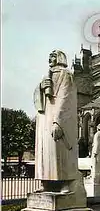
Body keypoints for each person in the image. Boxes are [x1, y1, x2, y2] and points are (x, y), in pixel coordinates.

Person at [34, 50, 78, 193]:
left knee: (60, 151)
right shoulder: (46, 75)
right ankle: (45, 183)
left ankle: (65, 183)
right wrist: (41, 87)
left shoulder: (66, 74)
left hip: (57, 118)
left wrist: (58, 121)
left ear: (59, 58)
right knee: (45, 152)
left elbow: (65, 98)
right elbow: (38, 99)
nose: (50, 59)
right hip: (45, 118)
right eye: (49, 57)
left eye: (53, 56)